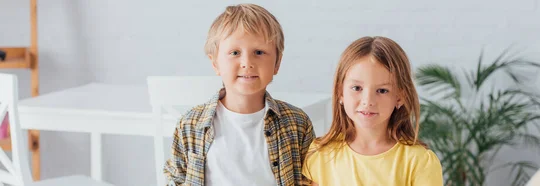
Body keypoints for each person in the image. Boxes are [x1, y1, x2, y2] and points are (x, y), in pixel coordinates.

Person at [164, 4, 316, 186]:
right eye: (235, 53)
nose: (247, 63)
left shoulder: (297, 123)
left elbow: (310, 180)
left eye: (259, 52)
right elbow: (176, 179)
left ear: (277, 63)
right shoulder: (190, 125)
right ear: (215, 63)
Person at [302, 36, 443, 186]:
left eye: (382, 90)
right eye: (357, 88)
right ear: (340, 92)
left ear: (400, 96)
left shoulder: (420, 162)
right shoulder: (320, 154)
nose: (368, 101)